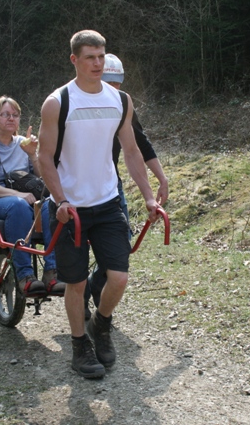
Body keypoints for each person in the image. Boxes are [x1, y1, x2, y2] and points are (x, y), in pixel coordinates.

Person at [37, 30, 161, 379]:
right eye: (90, 57)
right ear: (74, 60)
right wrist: (60, 200)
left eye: (101, 56)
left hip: (107, 202)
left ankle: (101, 326)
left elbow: (133, 151)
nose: (97, 63)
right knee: (75, 284)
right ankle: (80, 347)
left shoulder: (119, 101)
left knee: (118, 277)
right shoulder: (57, 102)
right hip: (69, 208)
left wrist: (149, 195)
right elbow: (44, 158)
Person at [84, 53, 169, 319]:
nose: (114, 88)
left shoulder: (122, 106)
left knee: (121, 244)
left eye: (118, 83)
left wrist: (162, 179)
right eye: (109, 81)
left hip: (110, 186)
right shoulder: (77, 104)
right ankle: (77, 292)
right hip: (77, 186)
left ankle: (92, 288)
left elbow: (140, 145)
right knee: (77, 246)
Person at [0, 96, 64, 297]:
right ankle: (25, 276)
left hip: (24, 202)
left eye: (15, 115)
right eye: (5, 115)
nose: (11, 119)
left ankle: (52, 273)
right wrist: (17, 194)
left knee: (50, 204)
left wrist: (32, 155)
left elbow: (42, 179)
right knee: (18, 205)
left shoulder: (22, 143)